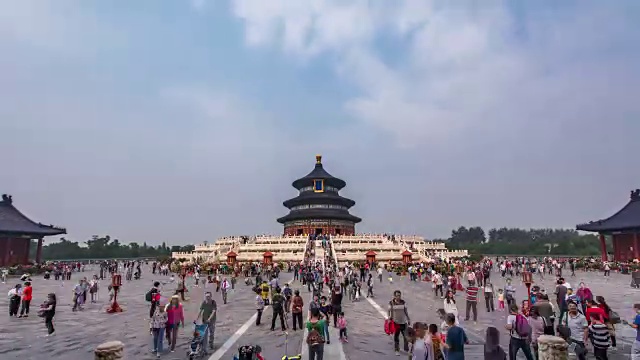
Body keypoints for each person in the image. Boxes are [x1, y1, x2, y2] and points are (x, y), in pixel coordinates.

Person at [388, 290, 411, 356]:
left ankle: (406, 349)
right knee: (396, 337)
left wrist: (408, 319)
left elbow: (406, 311)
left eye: (399, 295)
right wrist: (389, 317)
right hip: (395, 323)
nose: (399, 297)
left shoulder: (403, 302)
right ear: (394, 296)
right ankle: (396, 349)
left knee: (406, 336)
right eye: (397, 295)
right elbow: (388, 311)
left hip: (403, 322)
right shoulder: (391, 303)